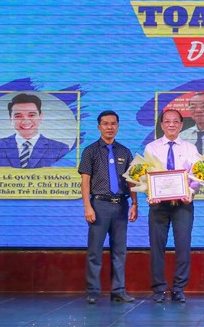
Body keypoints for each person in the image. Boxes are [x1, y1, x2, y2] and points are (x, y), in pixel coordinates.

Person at [79, 110, 138, 304]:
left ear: (118, 126)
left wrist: (135, 203)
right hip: (99, 205)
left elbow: (131, 180)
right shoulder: (90, 151)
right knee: (95, 251)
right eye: (105, 124)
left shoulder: (125, 152)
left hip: (121, 205)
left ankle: (118, 291)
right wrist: (87, 206)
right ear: (99, 127)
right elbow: (85, 181)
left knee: (119, 251)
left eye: (113, 124)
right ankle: (93, 291)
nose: (109, 127)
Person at [145, 109, 199, 303]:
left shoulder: (190, 148)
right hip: (158, 205)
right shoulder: (151, 148)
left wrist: (190, 192)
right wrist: (150, 193)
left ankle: (178, 288)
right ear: (161, 125)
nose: (171, 125)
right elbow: (146, 175)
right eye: (167, 121)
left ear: (181, 125)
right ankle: (159, 289)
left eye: (175, 121)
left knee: (183, 246)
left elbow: (197, 176)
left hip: (183, 205)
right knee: (157, 247)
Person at [0, 93, 70, 168]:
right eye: (18, 116)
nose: (25, 121)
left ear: (40, 117)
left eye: (31, 115)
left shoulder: (60, 150)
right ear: (10, 118)